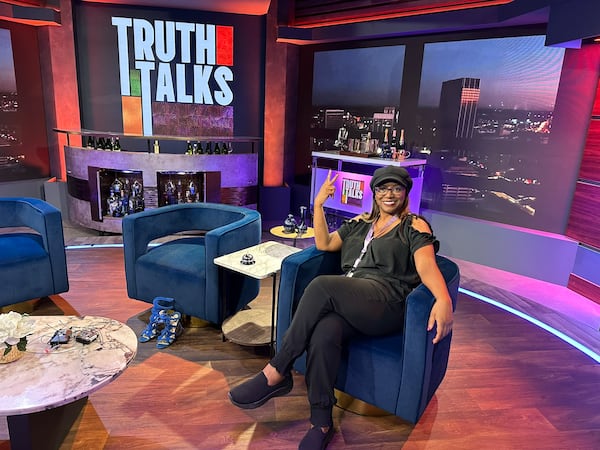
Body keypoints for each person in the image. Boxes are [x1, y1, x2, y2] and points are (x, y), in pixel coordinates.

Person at [228, 165, 454, 449]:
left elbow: (426, 265)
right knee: (324, 332)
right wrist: (318, 205)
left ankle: (277, 369)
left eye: (397, 188)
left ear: (405, 193)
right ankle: (321, 421)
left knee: (322, 286)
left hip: (387, 301)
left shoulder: (413, 225)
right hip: (352, 299)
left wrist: (443, 299)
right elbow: (324, 244)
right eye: (383, 188)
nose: (389, 194)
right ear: (374, 193)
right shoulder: (360, 223)